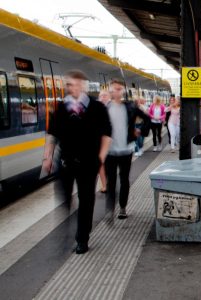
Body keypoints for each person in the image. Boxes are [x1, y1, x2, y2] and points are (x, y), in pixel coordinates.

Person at [44, 70, 112, 254]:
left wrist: (101, 158)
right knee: (64, 198)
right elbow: (52, 134)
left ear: (83, 85)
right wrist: (48, 156)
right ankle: (66, 229)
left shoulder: (97, 108)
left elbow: (107, 134)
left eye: (73, 84)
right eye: (68, 84)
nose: (70, 88)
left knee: (86, 200)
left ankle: (82, 238)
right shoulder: (61, 108)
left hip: (89, 163)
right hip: (65, 162)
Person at [105, 78, 151, 220]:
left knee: (124, 179)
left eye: (119, 89)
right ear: (110, 90)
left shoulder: (130, 106)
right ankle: (110, 208)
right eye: (114, 88)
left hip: (126, 150)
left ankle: (123, 207)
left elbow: (146, 118)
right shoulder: (104, 108)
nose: (117, 91)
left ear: (123, 91)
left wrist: (140, 131)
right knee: (110, 181)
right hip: (110, 151)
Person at [97, 90, 111, 192]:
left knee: (110, 163)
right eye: (101, 96)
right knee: (101, 163)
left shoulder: (113, 108)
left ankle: (111, 181)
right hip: (100, 140)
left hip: (112, 141)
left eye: (105, 96)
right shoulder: (95, 110)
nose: (103, 98)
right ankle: (104, 184)